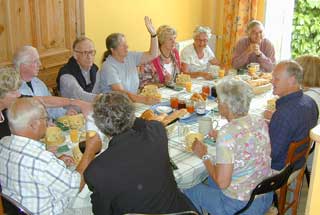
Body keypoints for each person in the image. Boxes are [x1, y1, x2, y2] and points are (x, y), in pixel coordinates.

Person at [84, 92, 196, 214]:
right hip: (178, 211)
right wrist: (125, 115)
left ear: (99, 125)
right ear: (131, 114)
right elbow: (146, 123)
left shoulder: (95, 170)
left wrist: (89, 152)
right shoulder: (157, 131)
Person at [183, 77, 273, 215]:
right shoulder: (259, 120)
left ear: (226, 104)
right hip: (265, 196)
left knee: (186, 186)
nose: (217, 102)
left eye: (219, 99)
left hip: (240, 207)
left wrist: (204, 155)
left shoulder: (227, 134)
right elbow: (244, 137)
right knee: (208, 177)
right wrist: (221, 135)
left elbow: (222, 183)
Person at [0, 97, 102, 214]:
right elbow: (75, 186)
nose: (48, 123)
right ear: (33, 125)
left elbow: (33, 170)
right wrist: (89, 151)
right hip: (51, 211)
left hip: (19, 207)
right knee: (100, 199)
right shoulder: (41, 159)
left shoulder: (4, 143)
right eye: (45, 119)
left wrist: (56, 162)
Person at [0, 67, 92, 140]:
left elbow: (43, 101)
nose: (18, 94)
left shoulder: (12, 103)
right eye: (13, 92)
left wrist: (76, 102)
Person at [264, 60, 318, 171]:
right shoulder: (310, 102)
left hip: (280, 169)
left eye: (276, 79)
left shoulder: (284, 113)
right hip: (299, 161)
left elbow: (272, 154)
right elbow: (292, 129)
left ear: (292, 80)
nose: (271, 81)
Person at [97, 16, 160, 105]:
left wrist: (153, 35)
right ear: (112, 49)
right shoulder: (108, 66)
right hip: (114, 107)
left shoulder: (130, 56)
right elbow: (120, 92)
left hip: (130, 103)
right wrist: (144, 100)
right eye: (123, 45)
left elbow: (153, 54)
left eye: (126, 43)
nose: (127, 46)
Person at [13, 45, 77, 119]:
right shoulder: (13, 89)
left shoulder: (39, 83)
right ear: (23, 66)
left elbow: (52, 108)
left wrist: (65, 113)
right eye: (35, 61)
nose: (40, 64)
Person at [57, 36, 100, 102]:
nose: (89, 57)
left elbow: (100, 88)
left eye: (91, 52)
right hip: (74, 110)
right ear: (75, 55)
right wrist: (104, 98)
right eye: (85, 53)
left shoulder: (94, 68)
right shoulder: (66, 75)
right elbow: (80, 96)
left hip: (93, 106)